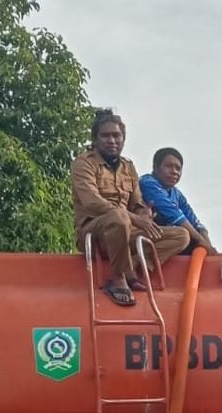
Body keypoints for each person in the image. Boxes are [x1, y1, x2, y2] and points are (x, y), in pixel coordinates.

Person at [71, 109, 191, 306]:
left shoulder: (128, 167)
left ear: (123, 139)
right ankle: (118, 281)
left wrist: (144, 212)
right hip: (95, 233)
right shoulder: (83, 164)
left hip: (126, 233)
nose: (112, 140)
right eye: (106, 135)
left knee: (180, 235)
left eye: (116, 135)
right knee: (119, 218)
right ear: (96, 138)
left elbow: (136, 203)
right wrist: (134, 218)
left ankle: (132, 270)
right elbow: (92, 202)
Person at [140, 148, 216, 255]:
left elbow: (196, 224)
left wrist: (209, 248)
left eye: (178, 168)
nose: (174, 172)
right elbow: (174, 214)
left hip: (166, 238)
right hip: (144, 235)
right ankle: (135, 265)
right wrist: (201, 241)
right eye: (168, 166)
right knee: (184, 235)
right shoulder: (148, 183)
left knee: (195, 240)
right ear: (156, 168)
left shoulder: (176, 194)